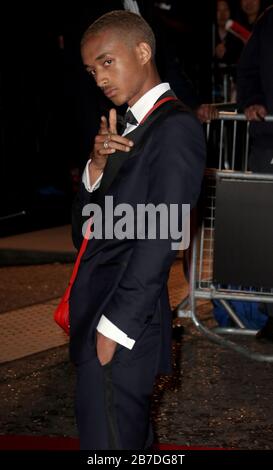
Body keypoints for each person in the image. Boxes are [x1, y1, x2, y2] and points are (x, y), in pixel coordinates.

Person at [69, 10, 206, 450]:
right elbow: (87, 234)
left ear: (143, 51)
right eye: (92, 70)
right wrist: (97, 170)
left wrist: (115, 328)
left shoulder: (175, 127)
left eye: (107, 62)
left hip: (123, 322)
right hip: (104, 314)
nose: (99, 79)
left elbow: (163, 234)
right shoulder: (131, 129)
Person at [237, 6, 273, 340]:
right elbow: (246, 71)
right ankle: (270, 311)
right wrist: (251, 102)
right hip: (268, 143)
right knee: (266, 232)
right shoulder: (268, 22)